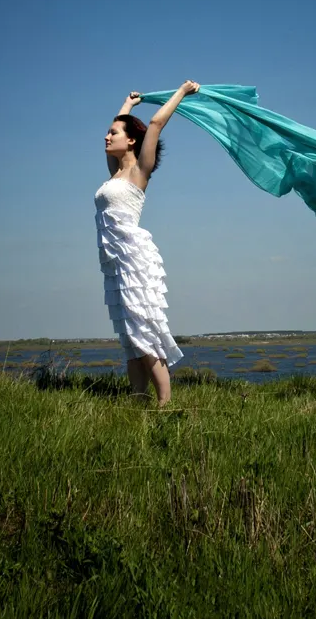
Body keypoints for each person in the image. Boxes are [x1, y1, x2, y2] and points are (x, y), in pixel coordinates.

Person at [95, 80, 199, 405]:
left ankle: (165, 405)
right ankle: (138, 405)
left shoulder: (140, 171)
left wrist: (181, 92)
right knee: (130, 340)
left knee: (144, 334)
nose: (107, 136)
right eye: (108, 131)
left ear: (131, 141)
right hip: (113, 262)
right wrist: (127, 105)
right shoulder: (114, 173)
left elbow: (155, 123)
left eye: (114, 132)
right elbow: (122, 126)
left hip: (133, 259)